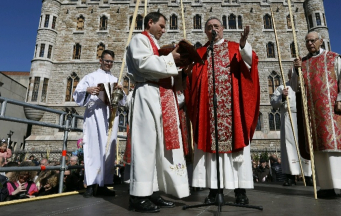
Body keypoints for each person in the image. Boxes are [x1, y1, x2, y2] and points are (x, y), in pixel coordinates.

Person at [185, 17, 260, 205]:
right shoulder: (201, 52)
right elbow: (191, 81)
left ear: (223, 29)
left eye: (216, 26)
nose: (213, 30)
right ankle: (213, 190)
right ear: (205, 31)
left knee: (236, 151)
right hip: (208, 111)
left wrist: (244, 47)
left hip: (232, 109)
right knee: (211, 154)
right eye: (209, 27)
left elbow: (251, 65)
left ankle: (240, 190)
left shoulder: (235, 47)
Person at [126, 12, 190, 213]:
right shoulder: (139, 39)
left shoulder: (154, 44)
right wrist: (170, 58)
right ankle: (138, 196)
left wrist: (179, 63)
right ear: (150, 22)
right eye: (161, 26)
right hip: (147, 92)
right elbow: (143, 64)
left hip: (161, 94)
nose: (164, 29)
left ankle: (152, 191)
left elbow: (161, 66)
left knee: (157, 147)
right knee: (145, 145)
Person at [291, 31, 341, 198]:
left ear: (321, 41)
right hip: (315, 115)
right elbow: (296, 88)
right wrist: (296, 71)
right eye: (307, 41)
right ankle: (327, 186)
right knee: (322, 153)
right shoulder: (302, 63)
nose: (310, 43)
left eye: (313, 40)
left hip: (335, 111)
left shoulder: (334, 57)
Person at [73, 49, 126, 198]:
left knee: (107, 150)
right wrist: (88, 90)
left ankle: (103, 184)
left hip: (110, 117)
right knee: (93, 149)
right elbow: (77, 94)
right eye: (107, 61)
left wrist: (120, 90)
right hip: (94, 116)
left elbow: (123, 101)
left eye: (111, 62)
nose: (109, 64)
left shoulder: (116, 79)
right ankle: (91, 184)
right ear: (100, 61)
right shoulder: (90, 77)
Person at [270, 69, 312, 186]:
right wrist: (282, 97)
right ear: (288, 76)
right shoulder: (283, 87)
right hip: (288, 117)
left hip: (303, 117)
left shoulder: (303, 86)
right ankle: (290, 175)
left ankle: (308, 175)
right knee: (289, 145)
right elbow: (273, 102)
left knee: (304, 145)